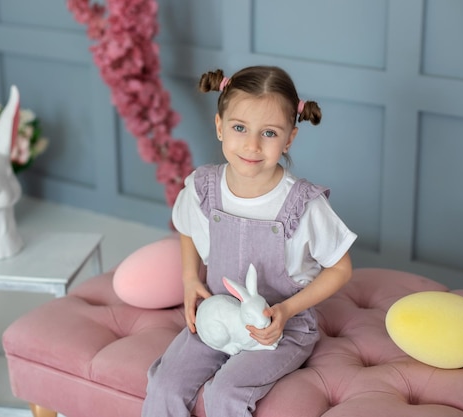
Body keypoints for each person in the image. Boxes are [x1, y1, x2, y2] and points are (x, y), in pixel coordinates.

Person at [141, 65, 357, 417]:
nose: (252, 145)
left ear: (290, 138)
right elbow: (186, 226)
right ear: (219, 127)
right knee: (165, 384)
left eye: (269, 133)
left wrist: (286, 311)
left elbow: (342, 268)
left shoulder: (303, 204)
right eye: (239, 127)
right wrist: (190, 279)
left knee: (226, 392)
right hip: (218, 315)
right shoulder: (203, 187)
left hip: (280, 330)